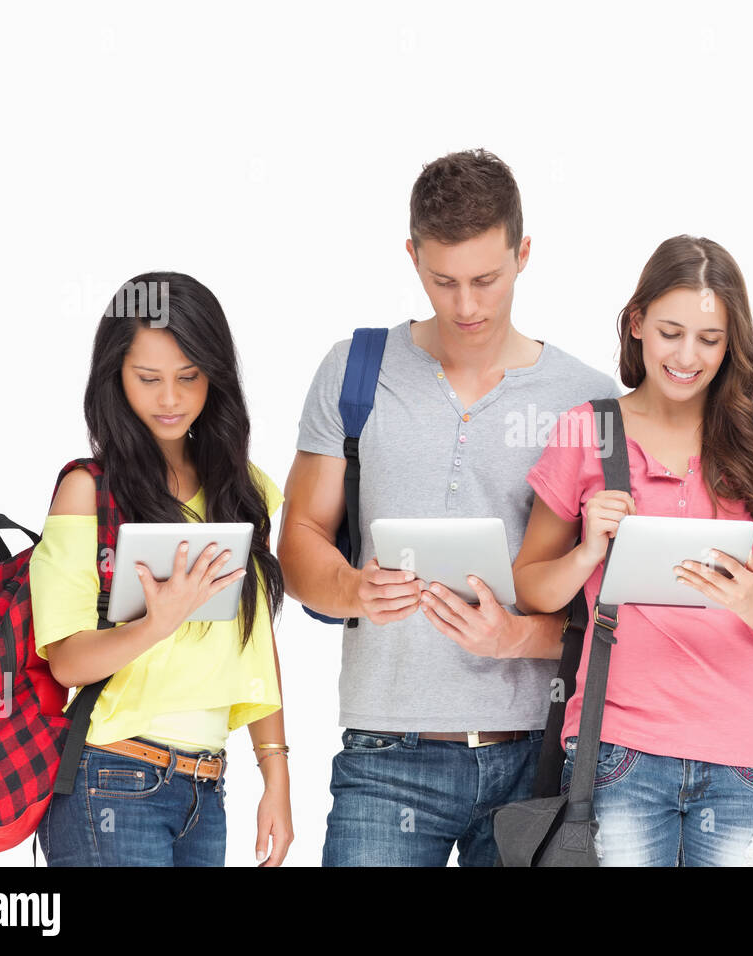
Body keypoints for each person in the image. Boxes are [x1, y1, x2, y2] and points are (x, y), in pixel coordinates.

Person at [281, 149, 620, 867]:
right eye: (443, 281)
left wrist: (516, 639)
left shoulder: (587, 399)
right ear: (412, 256)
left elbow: (608, 604)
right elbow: (301, 536)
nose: (467, 306)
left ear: (523, 254)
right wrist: (351, 588)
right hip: (385, 756)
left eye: (486, 280)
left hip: (537, 757)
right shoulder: (355, 369)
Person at [512, 235, 753, 866]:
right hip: (618, 751)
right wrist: (588, 549)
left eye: (709, 339)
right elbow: (531, 587)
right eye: (671, 332)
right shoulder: (588, 431)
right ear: (637, 323)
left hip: (748, 756)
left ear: (732, 344)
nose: (687, 356)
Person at [32, 272, 293, 867]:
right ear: (115, 377)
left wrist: (275, 775)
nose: (170, 399)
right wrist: (156, 622)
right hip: (112, 778)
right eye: (147, 379)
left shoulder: (245, 492)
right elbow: (67, 659)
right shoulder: (86, 491)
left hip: (207, 788)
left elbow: (257, 643)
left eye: (189, 378)